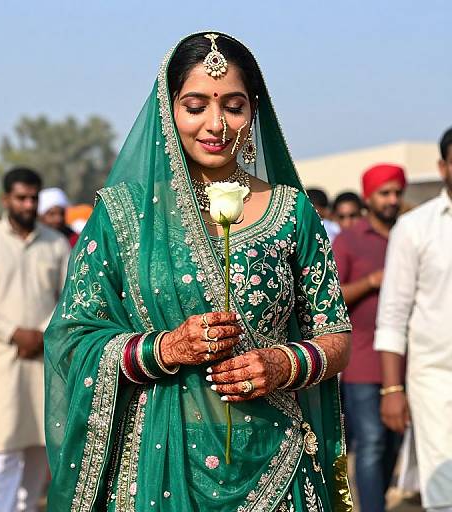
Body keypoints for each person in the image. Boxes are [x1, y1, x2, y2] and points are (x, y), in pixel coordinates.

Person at [44, 32, 353, 511]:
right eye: (195, 106)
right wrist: (165, 347)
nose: (216, 124)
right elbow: (71, 339)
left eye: (233, 106)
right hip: (159, 467)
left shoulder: (292, 211)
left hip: (277, 461)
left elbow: (335, 334)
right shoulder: (125, 215)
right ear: (169, 112)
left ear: (254, 111)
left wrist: (282, 364)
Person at [0, 167, 71, 512]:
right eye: (21, 198)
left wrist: (40, 331)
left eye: (33, 198)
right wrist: (13, 333)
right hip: (1, 360)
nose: (28, 204)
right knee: (4, 447)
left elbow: (70, 296)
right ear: (6, 199)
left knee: (40, 444)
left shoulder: (54, 243)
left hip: (43, 357)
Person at [374, 127, 452, 512]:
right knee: (444, 488)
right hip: (436, 377)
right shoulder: (416, 227)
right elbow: (392, 313)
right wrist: (392, 390)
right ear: (443, 166)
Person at [333, 163, 406, 512]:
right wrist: (370, 282)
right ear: (369, 197)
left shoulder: (409, 235)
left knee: (395, 442)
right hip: (362, 360)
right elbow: (330, 298)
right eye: (384, 193)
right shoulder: (348, 241)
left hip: (406, 361)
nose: (392, 200)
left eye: (396, 192)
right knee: (372, 442)